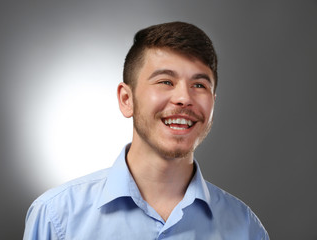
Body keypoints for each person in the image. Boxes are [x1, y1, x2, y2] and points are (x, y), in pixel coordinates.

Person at [23, 21, 269, 240]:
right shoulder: (55, 218)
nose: (184, 98)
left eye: (199, 84)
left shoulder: (246, 229)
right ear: (126, 99)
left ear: (213, 102)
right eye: (165, 82)